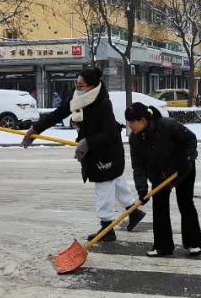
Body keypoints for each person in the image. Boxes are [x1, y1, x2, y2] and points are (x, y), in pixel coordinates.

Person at [22, 66, 142, 240]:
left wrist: (87, 141)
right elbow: (59, 112)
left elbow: (109, 133)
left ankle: (107, 228)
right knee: (115, 179)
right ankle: (134, 211)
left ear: (91, 87)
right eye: (75, 83)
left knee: (104, 186)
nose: (76, 87)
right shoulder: (77, 97)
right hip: (94, 149)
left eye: (80, 85)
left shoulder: (103, 103)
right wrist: (35, 129)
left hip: (107, 150)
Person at [125, 102, 200, 257]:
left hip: (182, 169)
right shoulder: (135, 139)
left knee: (185, 202)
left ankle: (193, 243)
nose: (129, 125)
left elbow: (191, 140)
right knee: (159, 207)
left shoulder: (168, 125)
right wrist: (142, 189)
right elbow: (138, 166)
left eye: (132, 121)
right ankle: (162, 246)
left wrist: (186, 160)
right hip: (159, 175)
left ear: (143, 120)